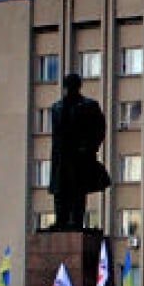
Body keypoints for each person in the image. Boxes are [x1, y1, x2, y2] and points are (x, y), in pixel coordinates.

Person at [49, 73, 111, 231]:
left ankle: (75, 221)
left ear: (78, 86)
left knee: (77, 191)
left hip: (80, 157)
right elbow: (56, 135)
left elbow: (100, 129)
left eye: (73, 86)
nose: (70, 89)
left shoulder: (90, 105)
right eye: (68, 86)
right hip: (61, 157)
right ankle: (60, 220)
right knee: (60, 191)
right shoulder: (56, 108)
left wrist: (89, 147)